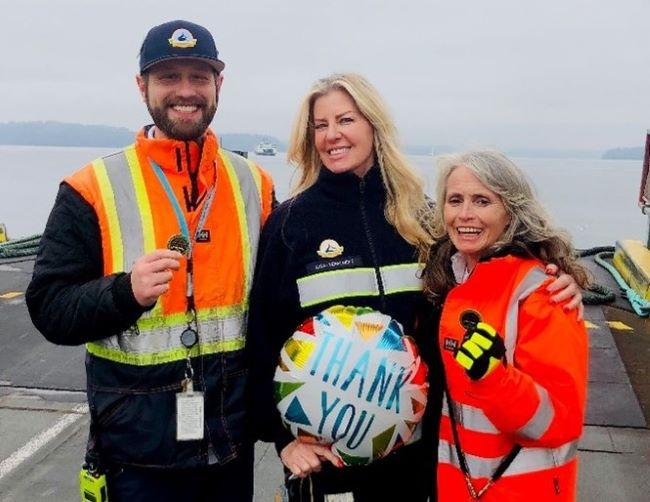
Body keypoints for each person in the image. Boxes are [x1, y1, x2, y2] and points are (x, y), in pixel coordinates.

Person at [245, 73, 582, 502]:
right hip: (329, 462)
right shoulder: (291, 225)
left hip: (418, 460)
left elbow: (488, 260)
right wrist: (282, 439)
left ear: (373, 125)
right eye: (320, 125)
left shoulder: (421, 218)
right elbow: (260, 341)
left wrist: (560, 270)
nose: (332, 135)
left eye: (345, 120)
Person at [26, 20, 274, 502]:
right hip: (135, 454)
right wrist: (124, 292)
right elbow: (49, 308)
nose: (186, 92)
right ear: (142, 87)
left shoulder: (255, 184)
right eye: (168, 78)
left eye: (199, 77)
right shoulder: (90, 188)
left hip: (229, 445)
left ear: (219, 85)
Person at [419, 150, 589, 501]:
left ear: (511, 211)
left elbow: (558, 422)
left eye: (482, 201)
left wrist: (493, 376)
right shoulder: (448, 281)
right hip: (459, 487)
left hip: (521, 491)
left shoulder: (544, 294)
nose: (465, 214)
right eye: (455, 200)